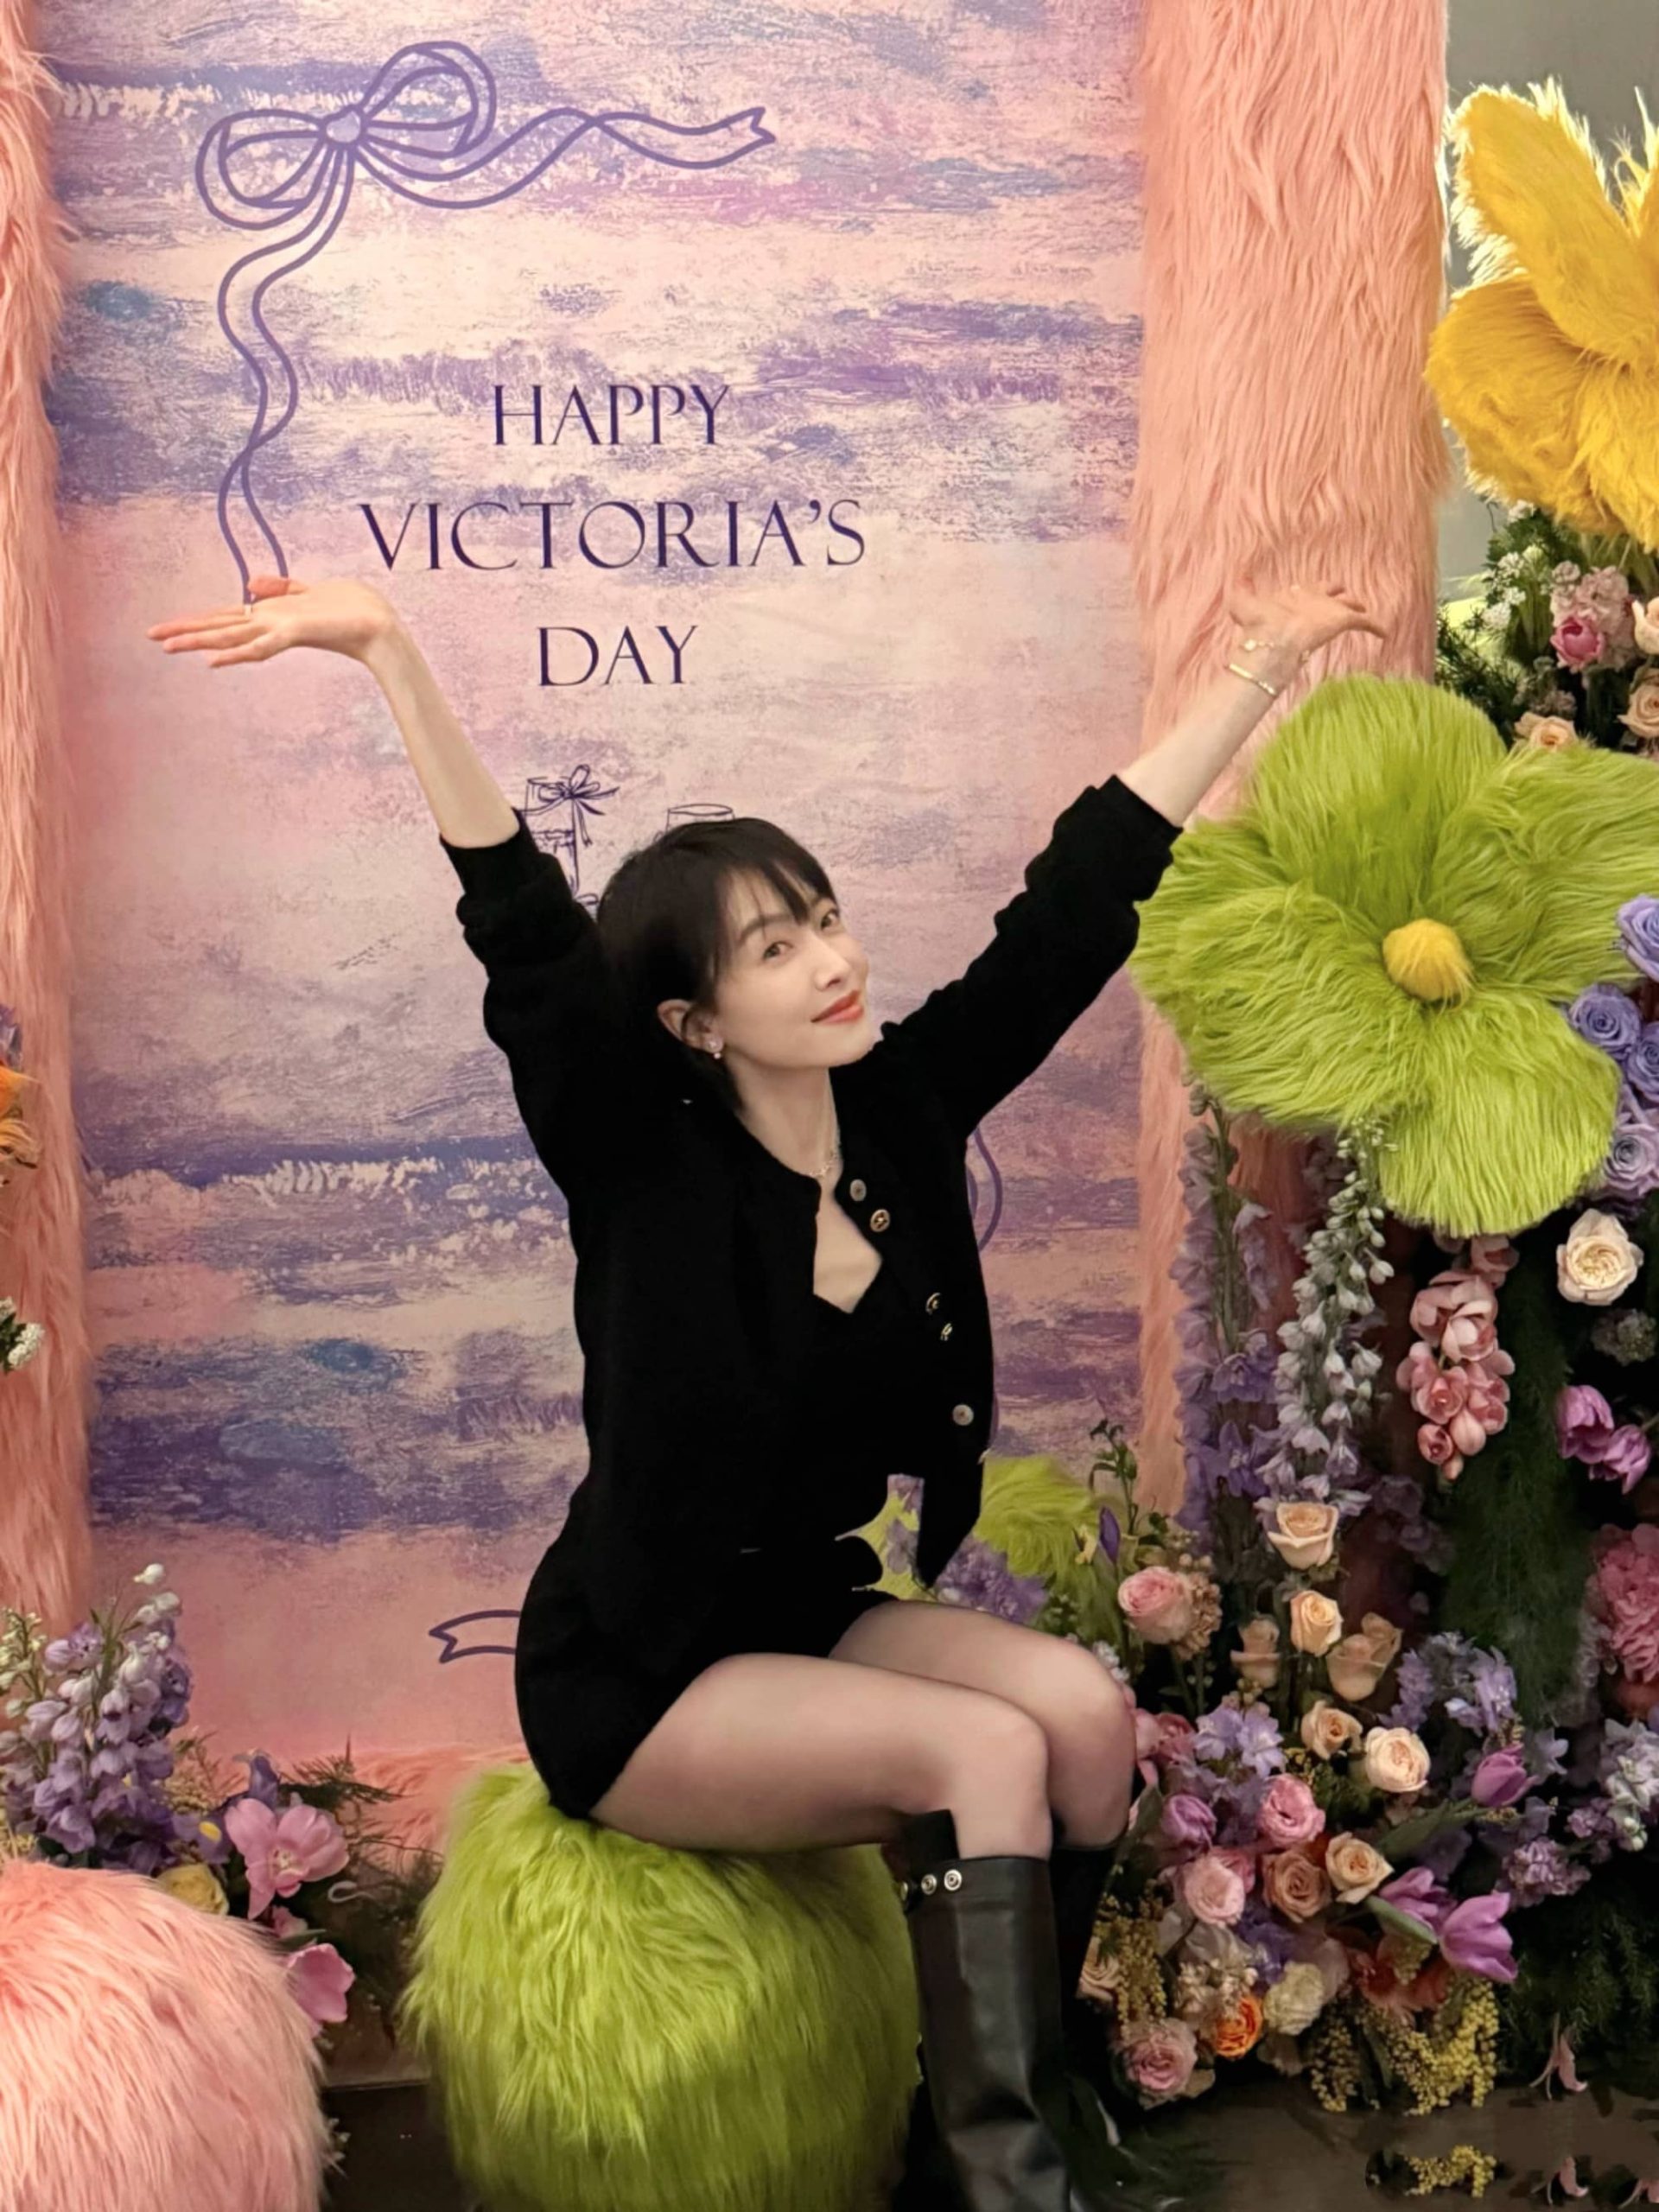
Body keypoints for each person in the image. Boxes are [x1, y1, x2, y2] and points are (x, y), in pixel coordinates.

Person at [147, 572, 1384, 2209]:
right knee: (984, 1756)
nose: (830, 963)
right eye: (774, 948)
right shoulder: (639, 1158)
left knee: (1086, 1720)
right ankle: (1014, 2194)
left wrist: (1261, 667)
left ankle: (1014, 2134)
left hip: (804, 1608)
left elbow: (1074, 907)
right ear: (691, 1018)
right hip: (642, 1663)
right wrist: (389, 652)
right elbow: (526, 932)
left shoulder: (900, 1110)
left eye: (825, 920)